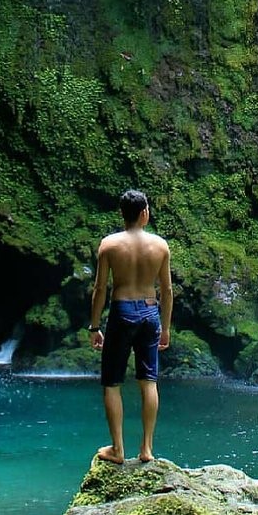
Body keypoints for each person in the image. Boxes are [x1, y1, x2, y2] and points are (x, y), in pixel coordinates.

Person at [88, 189, 172, 464]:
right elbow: (167, 290)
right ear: (145, 213)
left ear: (121, 214)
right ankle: (147, 449)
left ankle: (118, 449)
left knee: (112, 382)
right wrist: (167, 328)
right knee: (149, 381)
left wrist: (94, 325)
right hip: (150, 312)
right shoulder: (160, 246)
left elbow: (100, 288)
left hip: (122, 311)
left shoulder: (109, 245)